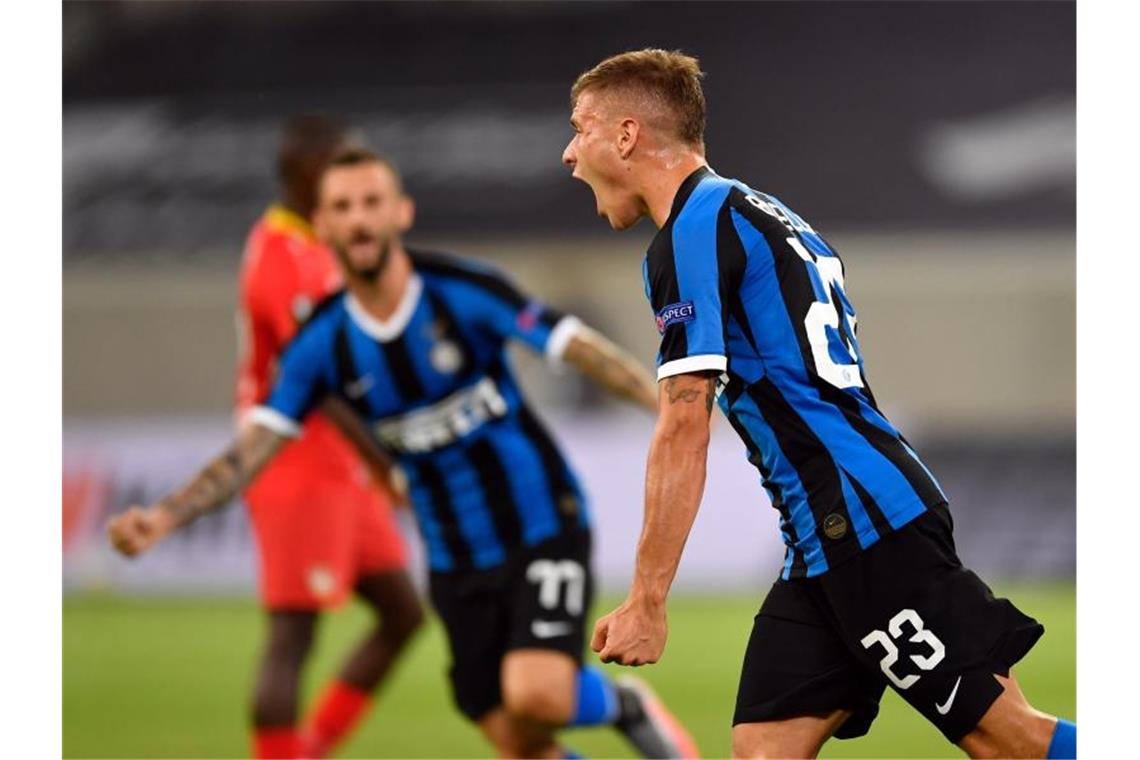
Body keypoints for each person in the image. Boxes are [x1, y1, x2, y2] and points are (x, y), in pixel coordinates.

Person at [561, 49, 1077, 760]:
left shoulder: (690, 234)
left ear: (625, 136)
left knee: (1007, 739)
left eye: (580, 128)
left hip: (864, 527)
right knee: (764, 749)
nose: (568, 152)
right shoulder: (755, 209)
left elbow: (685, 418)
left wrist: (648, 599)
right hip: (824, 538)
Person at [109, 144, 699, 760]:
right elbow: (252, 449)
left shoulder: (461, 291)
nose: (359, 219)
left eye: (371, 203)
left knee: (537, 695)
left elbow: (577, 348)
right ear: (323, 224)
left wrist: (673, 407)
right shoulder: (321, 344)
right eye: (342, 207)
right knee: (514, 737)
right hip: (452, 556)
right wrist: (164, 517)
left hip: (540, 524)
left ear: (401, 213)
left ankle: (623, 705)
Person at [241, 115, 424, 760]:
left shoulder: (316, 246)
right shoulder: (280, 259)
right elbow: (317, 380)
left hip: (337, 458)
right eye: (335, 188)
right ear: (302, 180)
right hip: (294, 458)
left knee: (403, 613)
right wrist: (388, 461)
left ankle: (309, 750)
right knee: (294, 633)